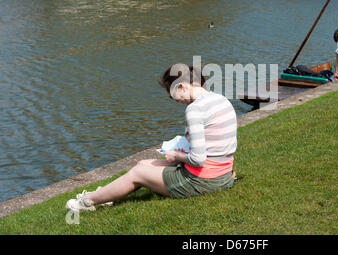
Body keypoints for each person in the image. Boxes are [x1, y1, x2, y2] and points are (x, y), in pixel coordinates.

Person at [66, 65, 237, 212]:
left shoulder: (195, 109)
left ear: (182, 86)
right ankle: (107, 195)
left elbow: (198, 160)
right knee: (142, 164)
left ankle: (87, 202)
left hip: (204, 181)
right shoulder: (220, 99)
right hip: (223, 174)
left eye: (173, 96)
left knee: (138, 173)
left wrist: (176, 156)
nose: (176, 101)